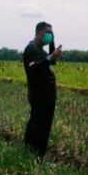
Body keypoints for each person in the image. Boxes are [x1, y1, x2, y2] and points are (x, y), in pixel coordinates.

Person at [22, 21, 62, 158]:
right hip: (40, 95)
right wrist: (50, 57)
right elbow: (34, 68)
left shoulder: (40, 50)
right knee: (41, 129)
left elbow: (52, 61)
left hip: (45, 95)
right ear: (39, 32)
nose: (50, 35)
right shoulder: (32, 49)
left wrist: (52, 44)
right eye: (48, 33)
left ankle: (29, 155)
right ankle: (37, 158)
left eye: (52, 33)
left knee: (36, 125)